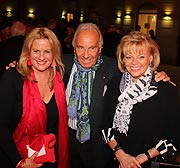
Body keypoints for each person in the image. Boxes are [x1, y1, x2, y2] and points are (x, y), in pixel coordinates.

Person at [62, 23, 171, 168]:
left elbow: (137, 68)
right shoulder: (61, 64)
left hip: (101, 147)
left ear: (100, 48)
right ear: (73, 47)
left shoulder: (113, 69)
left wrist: (157, 74)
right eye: (80, 47)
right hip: (68, 142)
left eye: (92, 48)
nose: (86, 54)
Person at [102, 31, 180, 168]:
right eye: (129, 57)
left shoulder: (166, 90)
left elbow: (174, 139)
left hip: (148, 163)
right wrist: (120, 154)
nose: (134, 63)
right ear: (123, 59)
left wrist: (141, 158)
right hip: (117, 161)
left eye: (141, 56)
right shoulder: (113, 85)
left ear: (151, 58)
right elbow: (104, 126)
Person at [0, 27, 69, 168]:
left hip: (51, 158)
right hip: (18, 158)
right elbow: (1, 126)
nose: (42, 57)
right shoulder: (13, 78)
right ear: (28, 52)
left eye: (47, 51)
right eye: (36, 51)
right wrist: (19, 162)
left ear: (54, 53)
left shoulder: (61, 79)